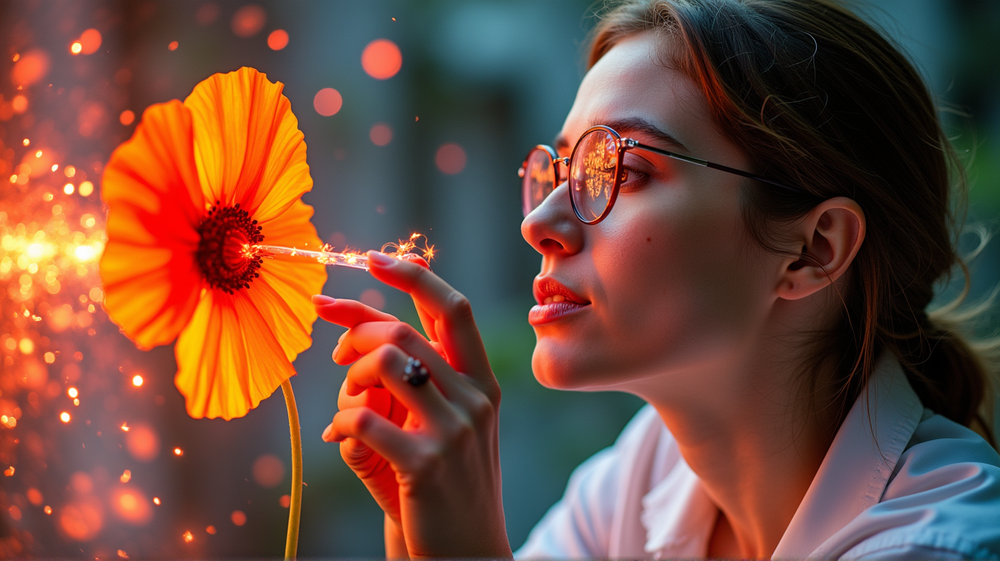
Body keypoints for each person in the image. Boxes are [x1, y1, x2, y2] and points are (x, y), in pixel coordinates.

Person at [312, 0, 1000, 558]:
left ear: (814, 249)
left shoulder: (937, 543)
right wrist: (420, 523)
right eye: (560, 169)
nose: (541, 222)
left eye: (623, 171)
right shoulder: (643, 479)